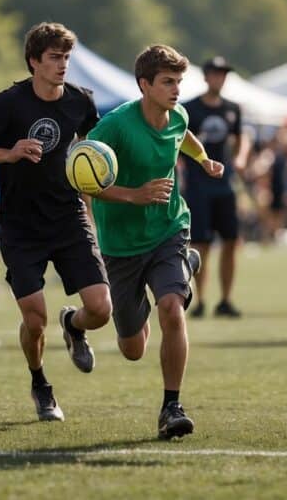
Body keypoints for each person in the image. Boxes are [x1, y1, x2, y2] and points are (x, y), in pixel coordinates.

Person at [0, 22, 113, 422]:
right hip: (21, 225)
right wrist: (8, 153)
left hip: (69, 216)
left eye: (66, 57)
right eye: (54, 57)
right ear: (34, 61)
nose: (62, 65)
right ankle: (40, 383)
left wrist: (101, 183)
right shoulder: (9, 103)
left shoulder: (81, 102)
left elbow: (93, 150)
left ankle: (73, 326)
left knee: (101, 309)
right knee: (34, 319)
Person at [88, 44, 222, 439]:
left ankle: (172, 406)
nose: (176, 90)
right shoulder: (115, 126)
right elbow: (80, 177)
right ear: (144, 84)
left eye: (179, 81)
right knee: (133, 348)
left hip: (169, 229)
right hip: (121, 244)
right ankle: (180, 272)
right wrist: (134, 194)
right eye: (167, 82)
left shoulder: (178, 114)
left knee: (171, 308)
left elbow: (186, 137)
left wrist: (204, 160)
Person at [182, 57, 248, 318]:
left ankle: (226, 300)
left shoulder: (233, 108)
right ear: (206, 76)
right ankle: (200, 299)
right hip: (199, 186)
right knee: (200, 245)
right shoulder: (190, 109)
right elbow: (177, 140)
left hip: (225, 185)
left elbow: (242, 137)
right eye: (216, 74)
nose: (220, 78)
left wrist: (241, 158)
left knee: (231, 241)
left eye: (224, 74)